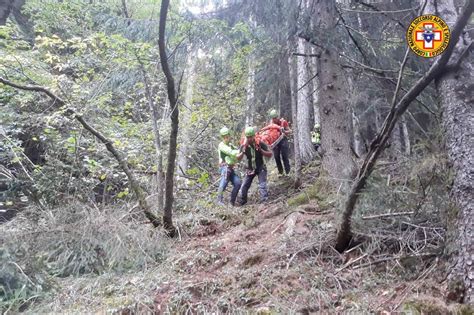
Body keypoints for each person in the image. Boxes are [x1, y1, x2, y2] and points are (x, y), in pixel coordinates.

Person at [240, 126, 273, 205]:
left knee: (262, 185)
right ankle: (243, 202)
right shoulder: (244, 146)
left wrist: (261, 150)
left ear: (254, 136)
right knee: (244, 186)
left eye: (251, 137)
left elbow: (270, 154)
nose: (249, 139)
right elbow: (238, 157)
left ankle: (264, 202)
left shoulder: (260, 143)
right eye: (248, 137)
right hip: (250, 168)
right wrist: (243, 152)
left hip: (261, 167)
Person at [217, 127, 243, 206]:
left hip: (231, 168)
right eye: (225, 136)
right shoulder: (221, 145)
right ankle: (219, 200)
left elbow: (237, 152)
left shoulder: (231, 145)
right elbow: (231, 152)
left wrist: (242, 149)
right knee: (223, 183)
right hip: (224, 167)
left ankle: (232, 202)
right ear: (222, 137)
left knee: (238, 183)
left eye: (227, 136)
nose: (227, 137)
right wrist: (240, 151)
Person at [268, 109, 291, 176]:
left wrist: (284, 132)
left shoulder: (283, 122)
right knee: (276, 156)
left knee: (284, 156)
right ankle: (280, 172)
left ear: (277, 117)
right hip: (275, 142)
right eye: (273, 118)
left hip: (283, 140)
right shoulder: (271, 124)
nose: (274, 120)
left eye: (275, 118)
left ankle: (288, 172)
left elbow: (289, 131)